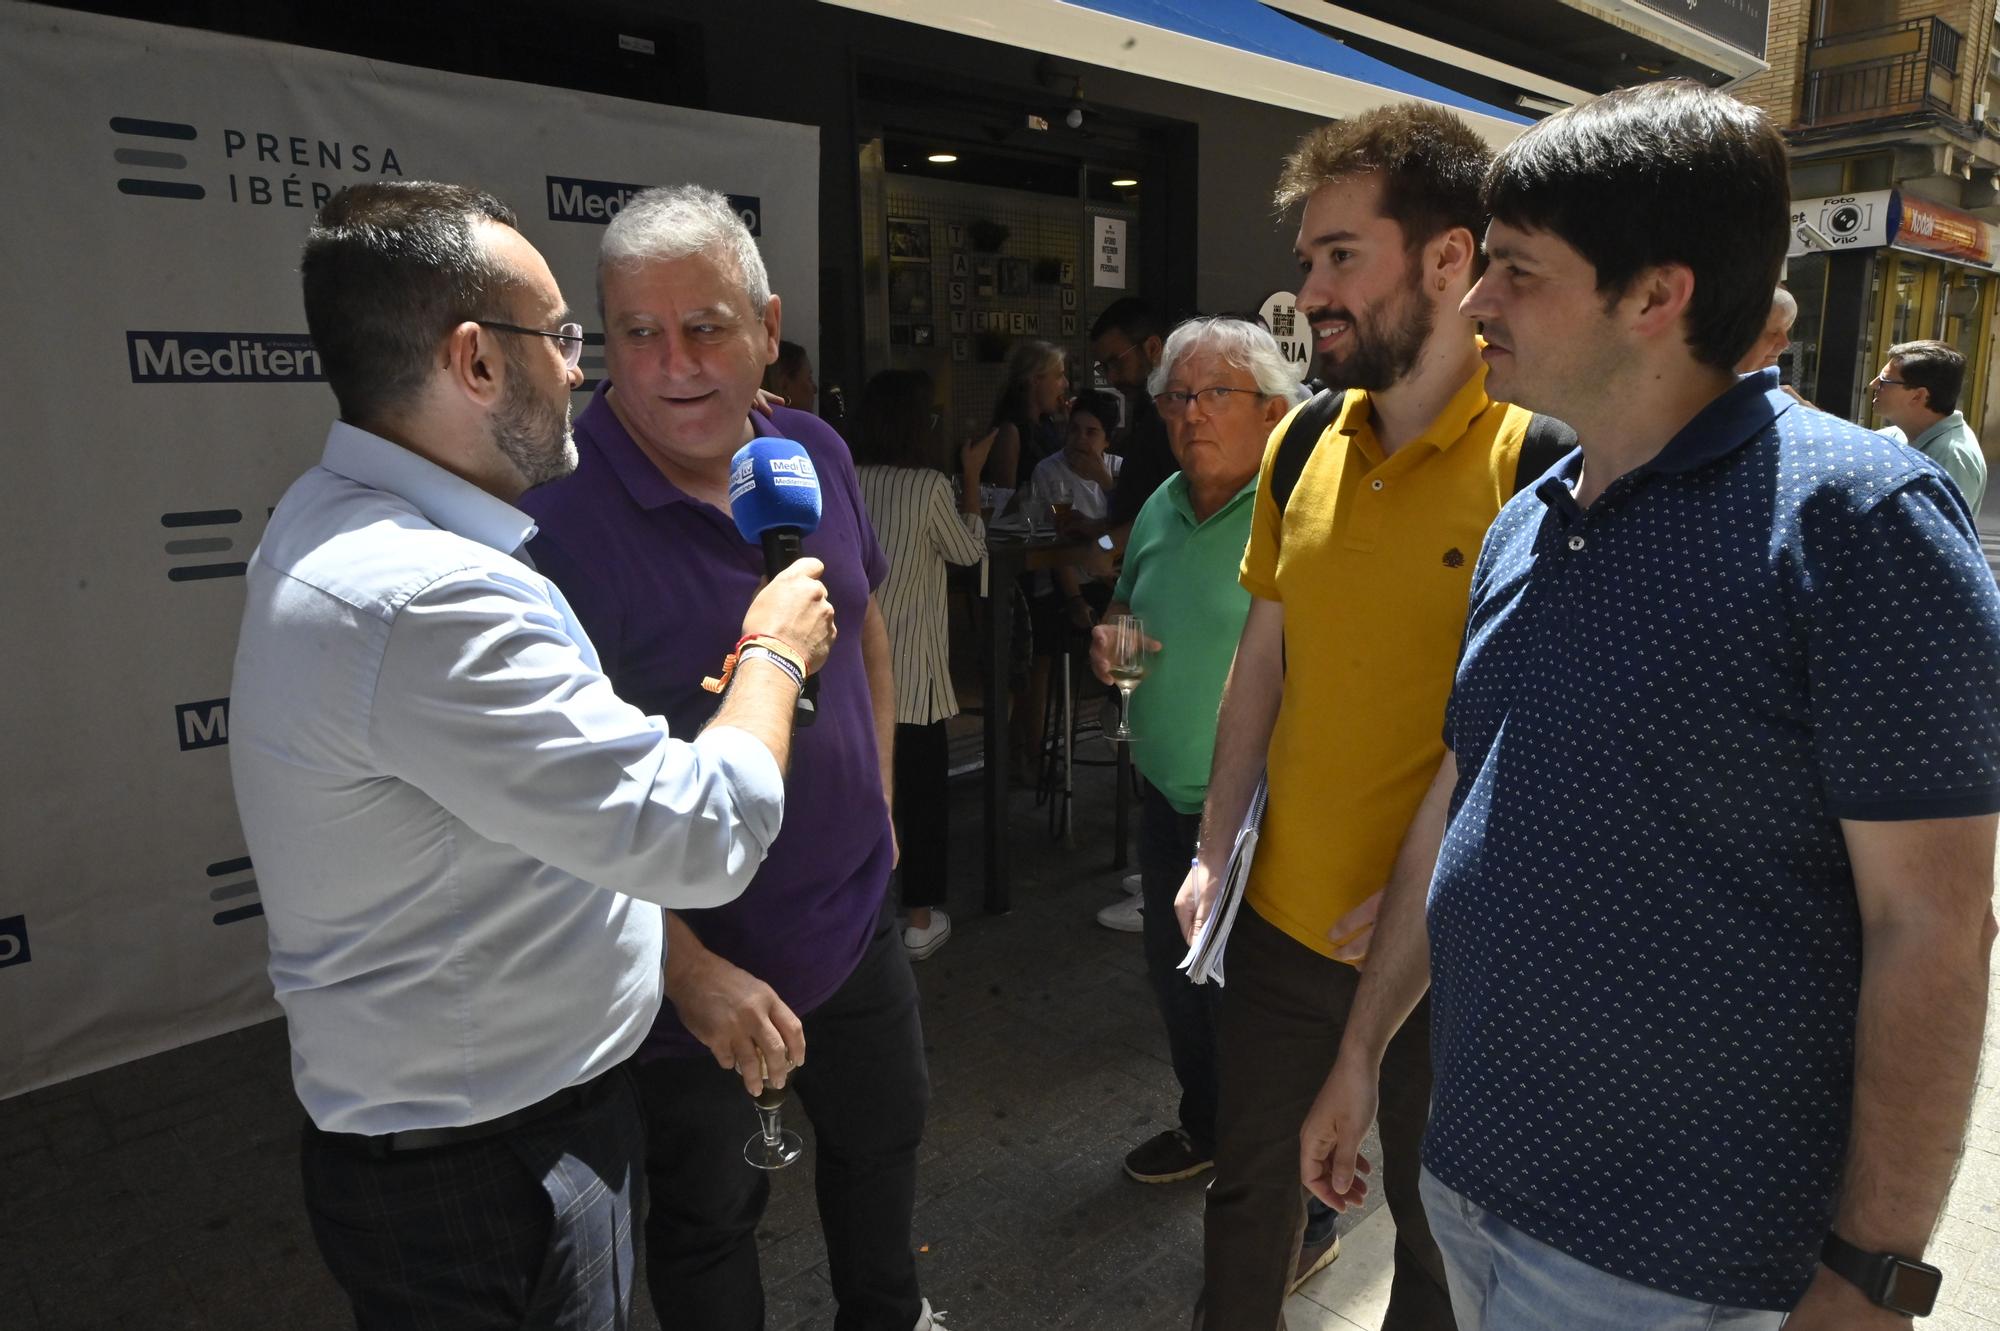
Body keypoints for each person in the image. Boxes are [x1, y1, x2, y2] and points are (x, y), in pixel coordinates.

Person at [1303, 81, 2000, 1331]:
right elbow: (1464, 795)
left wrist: (1872, 1270)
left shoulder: (1859, 526)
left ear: (1654, 294)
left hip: (1672, 1261)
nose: (1474, 301)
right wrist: (1361, 1052)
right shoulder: (1529, 515)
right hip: (1466, 1189)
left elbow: (1933, 929)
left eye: (1514, 269)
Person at [229, 180, 836, 1328]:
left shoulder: (366, 532)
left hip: (498, 1131)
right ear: (473, 360)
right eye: (566, 337)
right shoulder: (427, 596)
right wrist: (775, 650)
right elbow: (700, 837)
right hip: (483, 1169)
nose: (581, 371)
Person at [519, 185, 938, 1331]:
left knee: (880, 1151)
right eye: (634, 334)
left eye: (704, 326)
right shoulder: (547, 510)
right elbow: (539, 794)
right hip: (689, 977)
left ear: (766, 322)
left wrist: (884, 808)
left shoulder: (810, 450)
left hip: (853, 920)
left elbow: (866, 627)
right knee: (707, 1220)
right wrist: (685, 967)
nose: (670, 365)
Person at [1176, 103, 1538, 1331]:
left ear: (1448, 259)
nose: (1310, 292)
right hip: (1278, 926)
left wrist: (1441, 886)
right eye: (1305, 261)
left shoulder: (1535, 459)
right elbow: (1258, 668)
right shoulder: (1298, 447)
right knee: (1246, 1209)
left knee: (1439, 1249)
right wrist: (1211, 846)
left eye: (1342, 256)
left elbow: (1525, 725)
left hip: (1452, 955)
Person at [1087, 320, 1343, 1288]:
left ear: (1273, 411)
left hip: (1268, 814)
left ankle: (1307, 1208)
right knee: (1175, 979)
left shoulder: (1299, 507)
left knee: (1273, 1019)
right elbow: (1123, 601)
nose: (1187, 416)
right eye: (1173, 398)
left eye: (1211, 396)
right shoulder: (1158, 501)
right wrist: (1110, 632)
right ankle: (1206, 1127)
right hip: (1169, 804)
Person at [852, 369, 994, 961]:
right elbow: (969, 551)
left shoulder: (850, 479)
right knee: (924, 796)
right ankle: (918, 917)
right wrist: (972, 480)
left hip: (857, 674)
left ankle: (861, 913)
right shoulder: (929, 485)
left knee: (865, 795)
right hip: (914, 676)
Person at [1091, 297, 1179, 539]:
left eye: (1116, 363)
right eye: (1103, 368)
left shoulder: (1175, 414)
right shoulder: (1148, 408)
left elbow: (1176, 511)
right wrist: (1097, 529)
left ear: (1152, 348)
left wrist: (1106, 546)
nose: (1111, 378)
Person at [1873, 338, 1988, 514]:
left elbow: (1943, 534)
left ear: (1918, 396)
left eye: (1885, 381)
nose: (1873, 384)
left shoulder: (1953, 456)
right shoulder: (1893, 436)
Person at [986, 338, 1070, 488]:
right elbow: (1003, 499)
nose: (1066, 383)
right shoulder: (1010, 431)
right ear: (1036, 379)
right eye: (1059, 376)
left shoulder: (1046, 423)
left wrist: (1069, 424)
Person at [763, 338, 818, 414]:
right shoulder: (806, 425)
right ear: (784, 385)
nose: (815, 389)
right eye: (809, 378)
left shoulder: (749, 421)